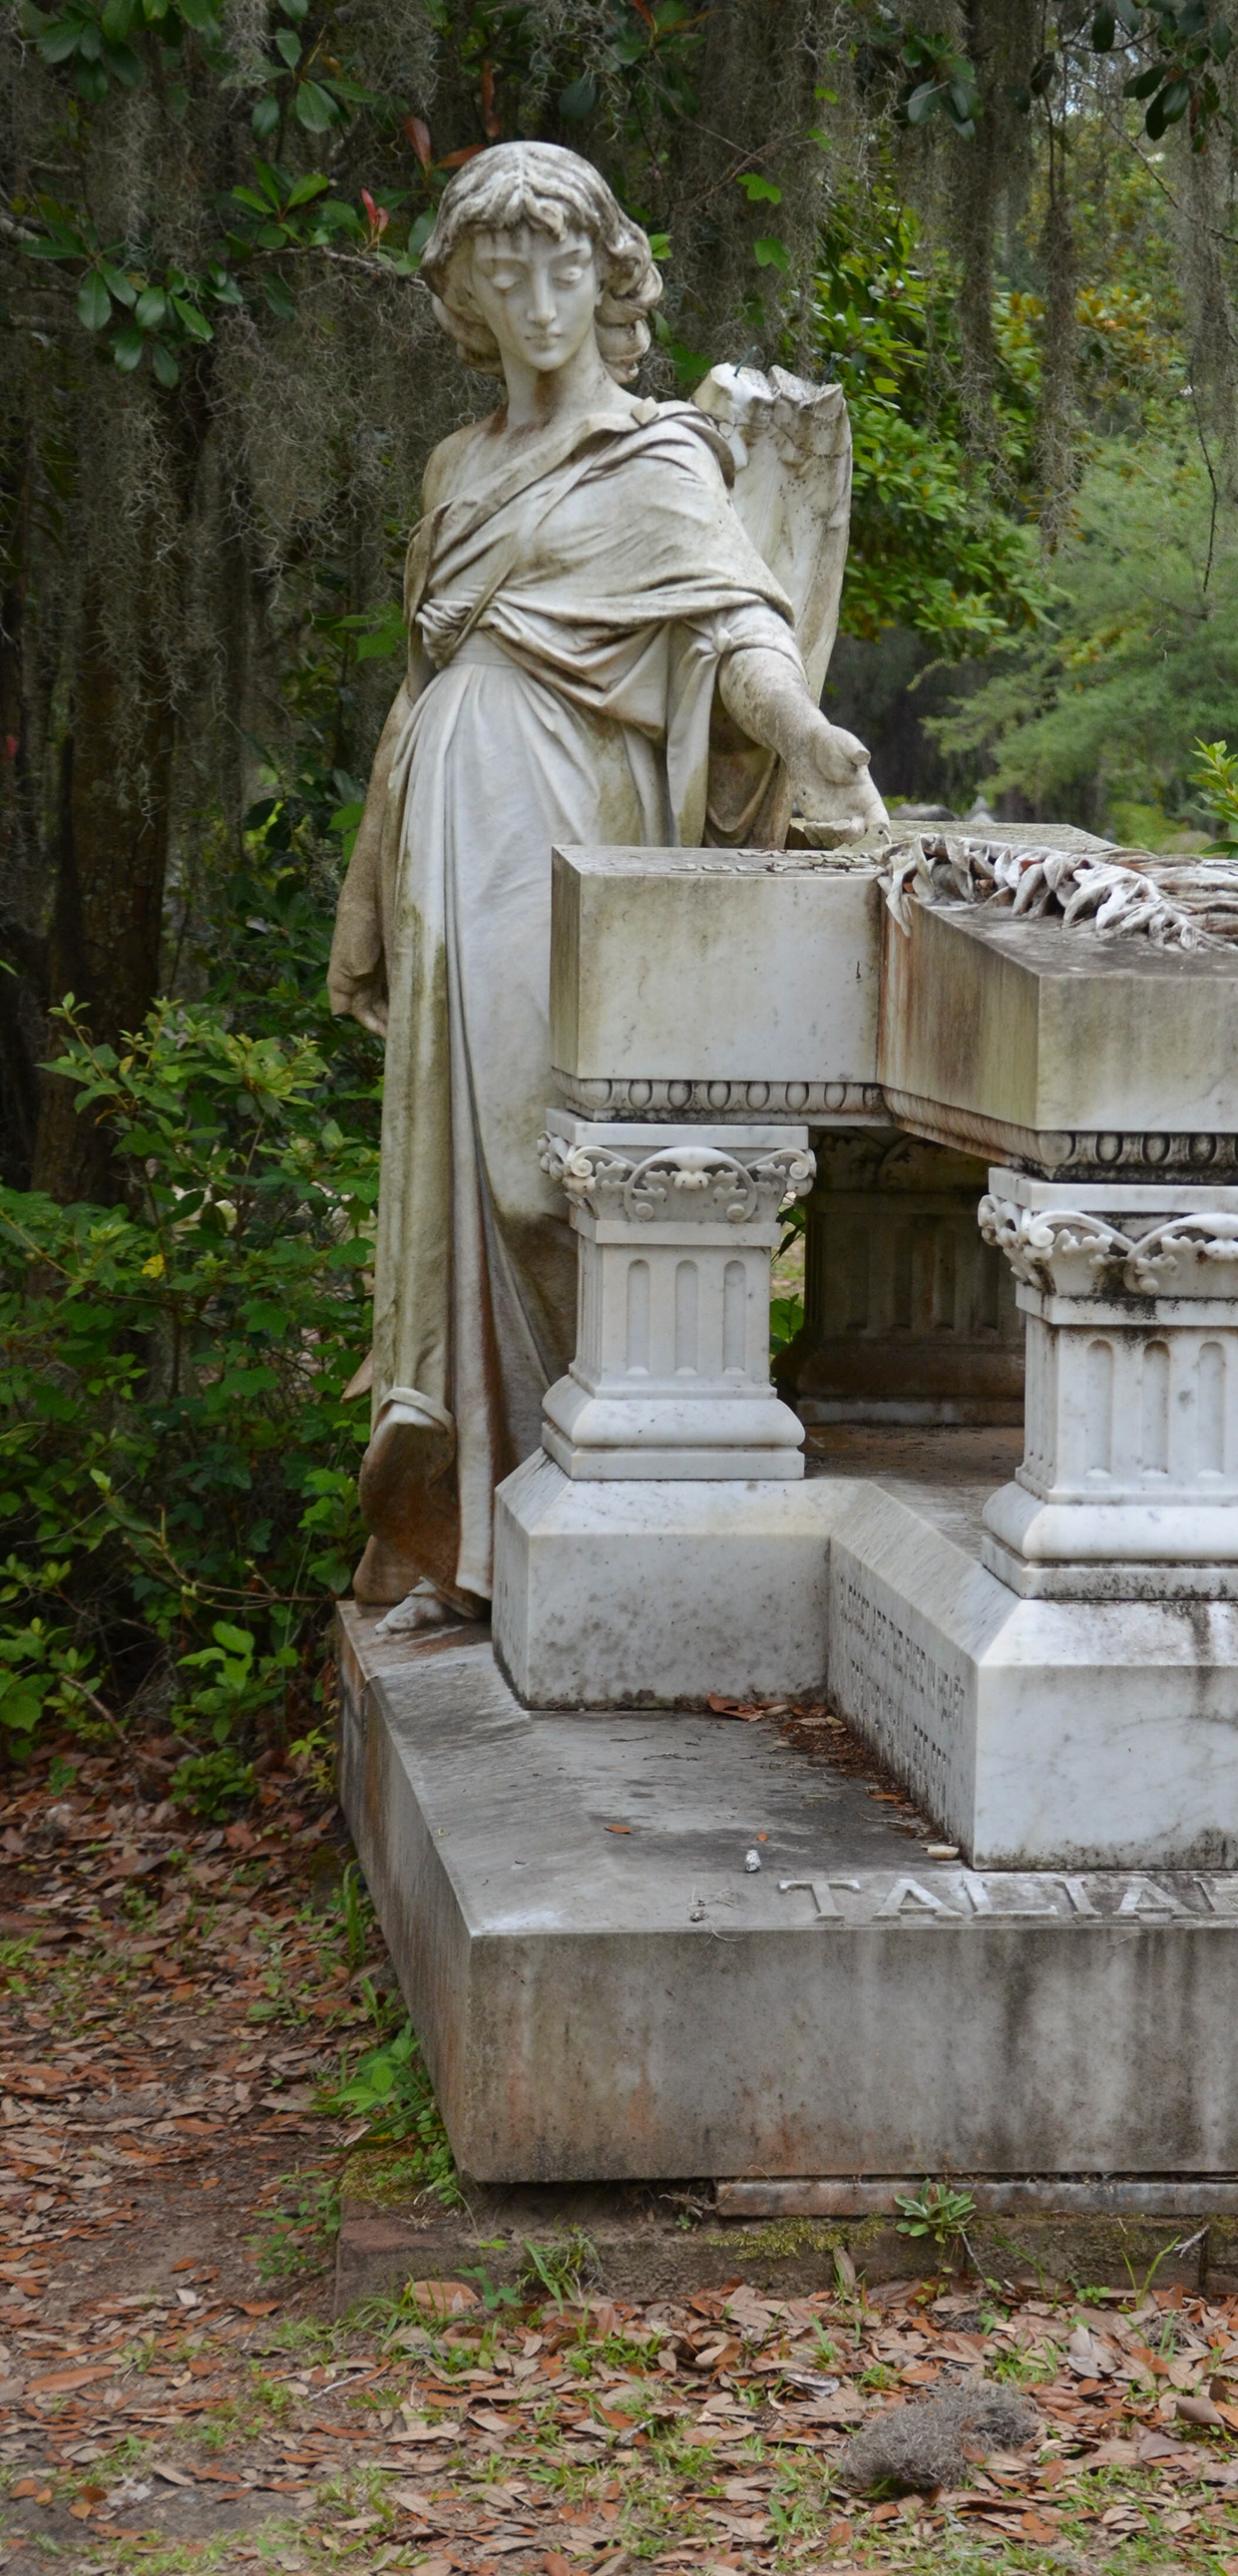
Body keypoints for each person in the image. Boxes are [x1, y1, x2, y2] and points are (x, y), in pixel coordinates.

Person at [327, 141, 885, 1628]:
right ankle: (467, 1506)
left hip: (575, 822)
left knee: (539, 1160)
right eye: (502, 271)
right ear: (464, 295)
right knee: (458, 1144)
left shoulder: (653, 457)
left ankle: (590, 1480)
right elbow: (419, 685)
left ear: (609, 274)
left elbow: (732, 632)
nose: (537, 296)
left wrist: (806, 736)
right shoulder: (458, 466)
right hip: (449, 823)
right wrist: (370, 890)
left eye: (563, 262)